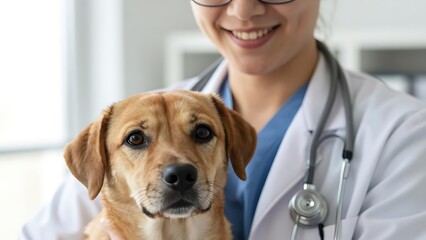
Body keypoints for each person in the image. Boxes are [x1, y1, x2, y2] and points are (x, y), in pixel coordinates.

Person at [19, 0, 426, 239]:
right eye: (139, 141)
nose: (244, 10)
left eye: (200, 134)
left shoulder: (403, 135)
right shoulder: (129, 121)